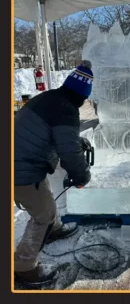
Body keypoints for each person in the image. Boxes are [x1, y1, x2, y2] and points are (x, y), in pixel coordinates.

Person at [13, 62, 94, 286]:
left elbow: (52, 133)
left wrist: (76, 139)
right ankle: (24, 267)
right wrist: (82, 175)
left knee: (45, 193)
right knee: (42, 215)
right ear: (82, 96)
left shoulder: (49, 98)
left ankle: (55, 229)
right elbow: (69, 155)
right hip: (20, 170)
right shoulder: (67, 110)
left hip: (18, 160)